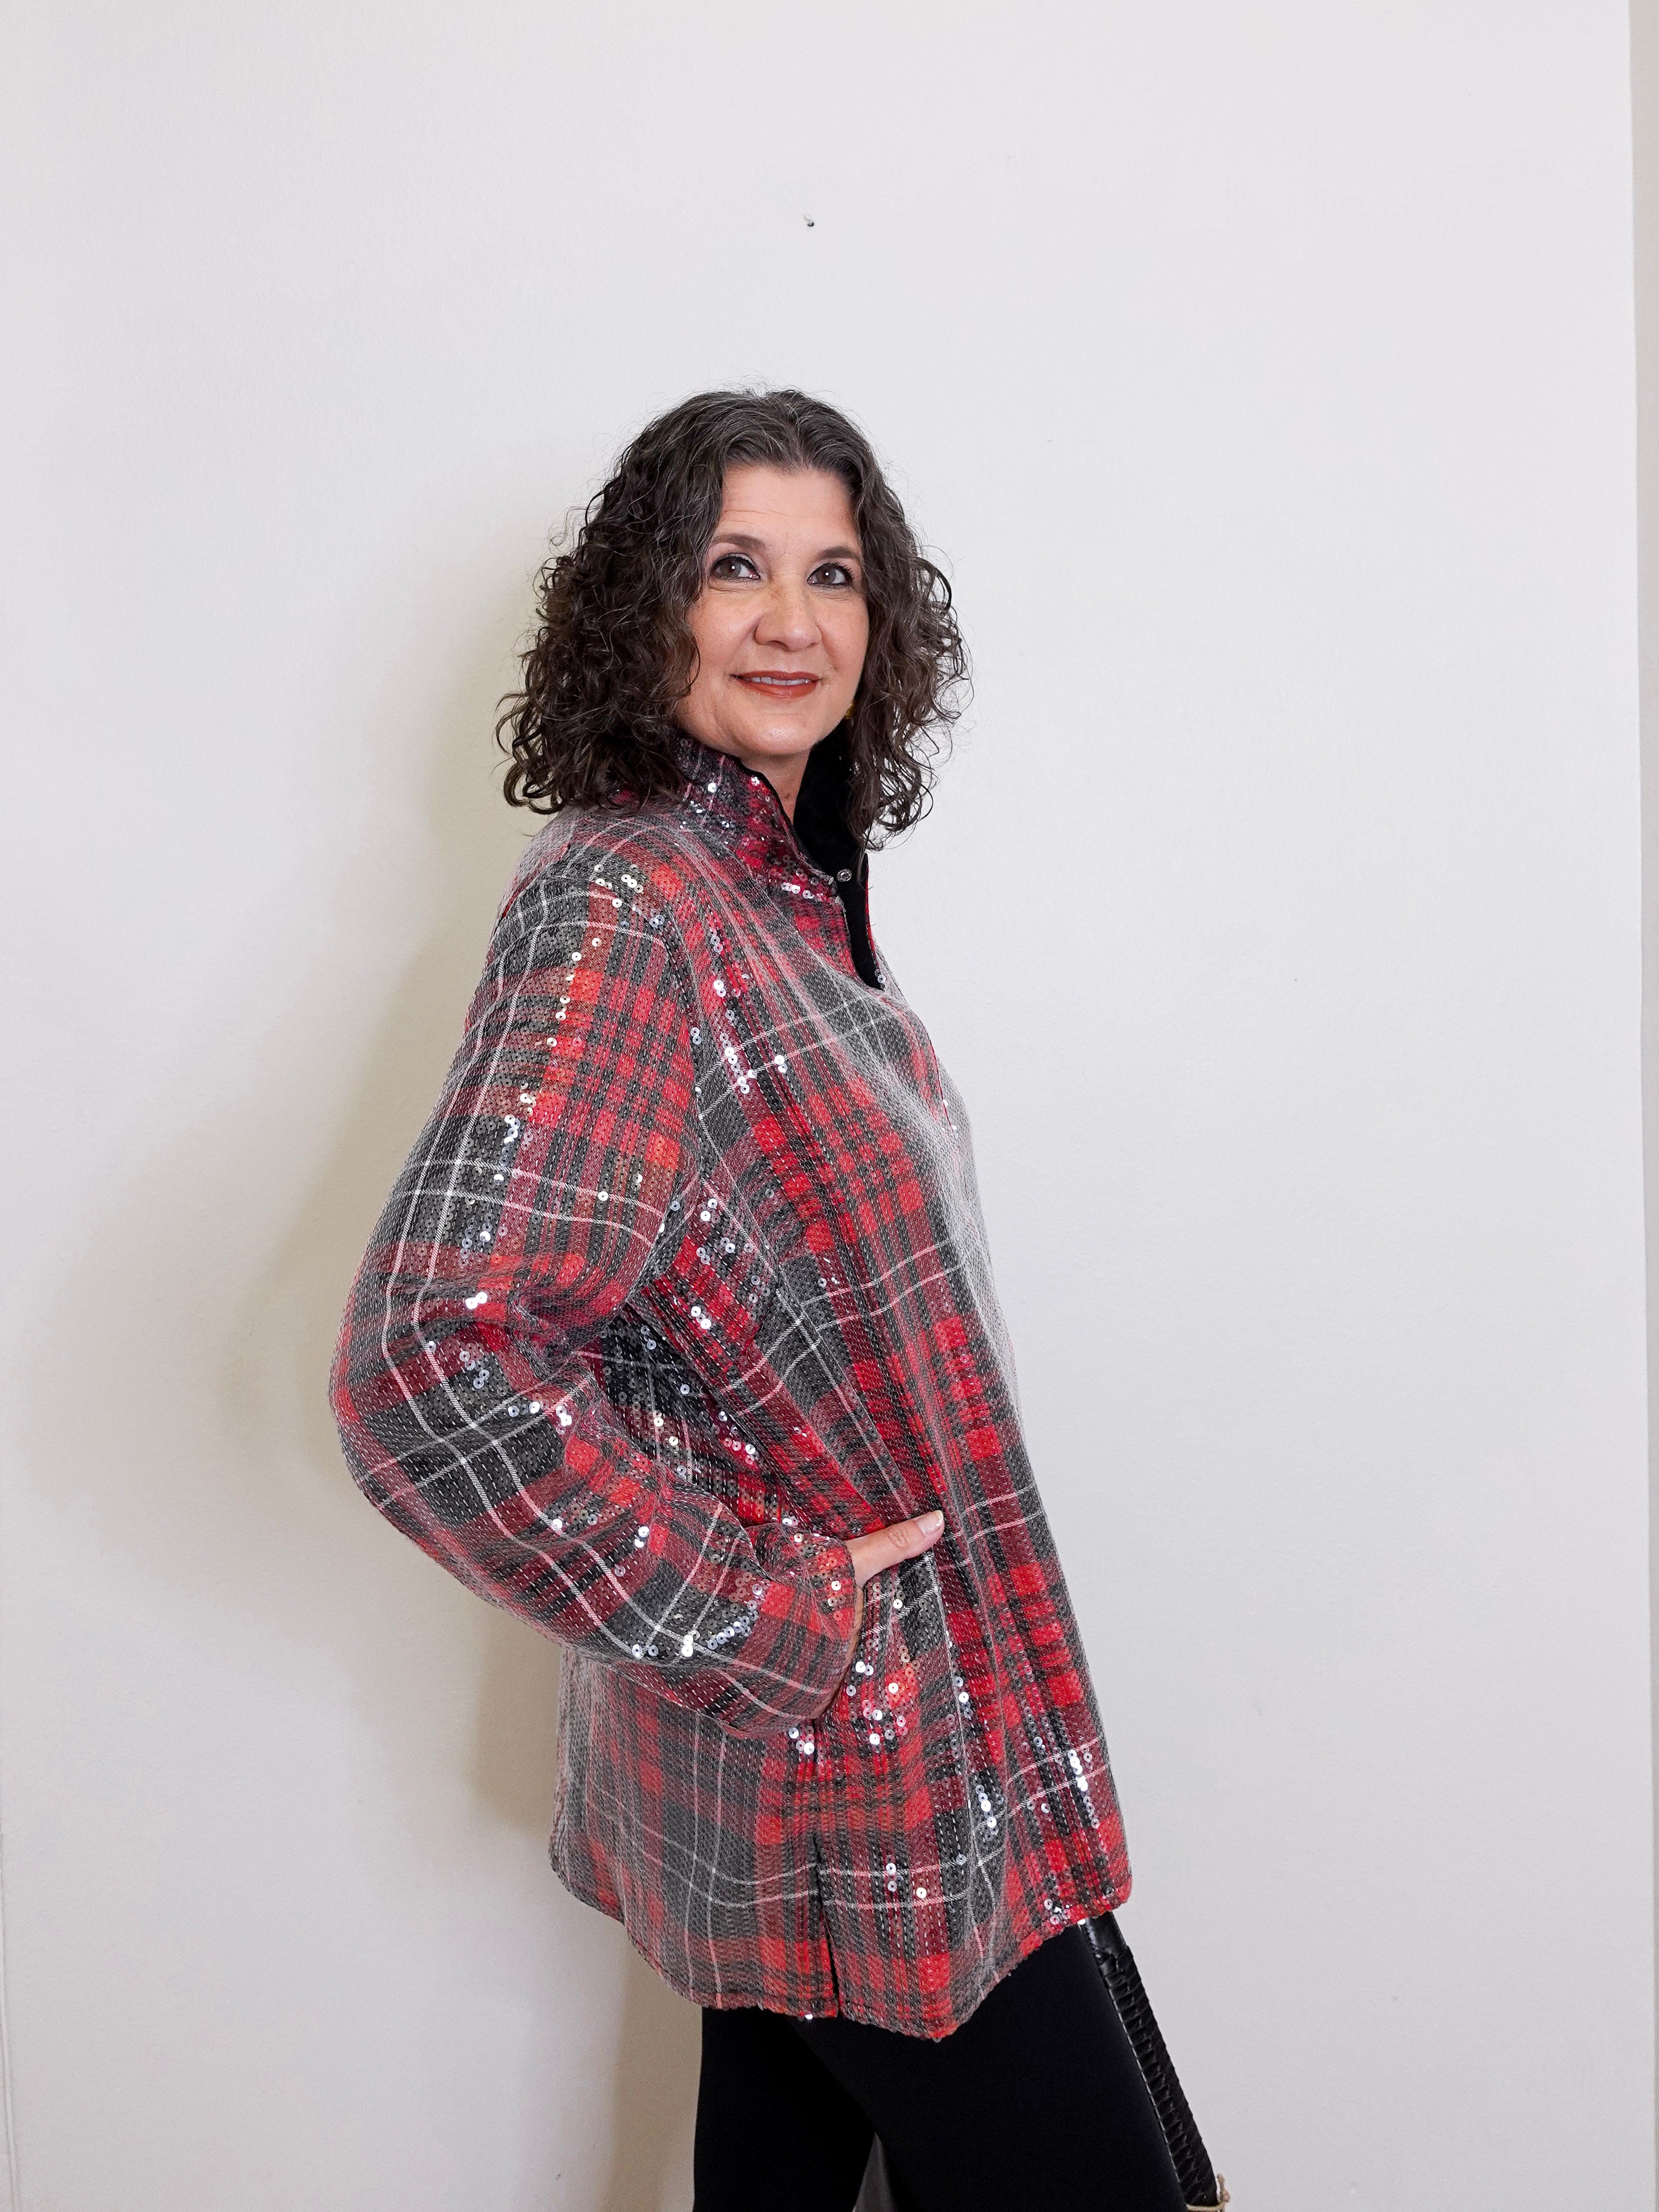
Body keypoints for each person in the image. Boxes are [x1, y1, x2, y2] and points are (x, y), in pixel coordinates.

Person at [330, 389, 1188, 2210]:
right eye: (738, 568)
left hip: (813, 1765)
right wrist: (773, 1611)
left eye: (835, 574)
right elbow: (430, 1362)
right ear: (653, 609)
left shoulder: (780, 896)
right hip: (858, 1769)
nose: (794, 619)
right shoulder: (636, 905)